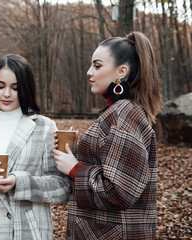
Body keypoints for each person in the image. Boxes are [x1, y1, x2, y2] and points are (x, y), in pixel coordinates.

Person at [53, 31, 162, 239]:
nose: (88, 72)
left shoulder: (125, 114)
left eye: (97, 65)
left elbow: (118, 193)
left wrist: (75, 168)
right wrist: (76, 151)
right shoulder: (117, 112)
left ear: (121, 71)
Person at [0, 54, 70, 239]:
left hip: (28, 233)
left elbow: (63, 187)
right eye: (0, 86)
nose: (6, 94)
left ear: (25, 88)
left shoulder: (44, 127)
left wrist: (18, 182)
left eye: (15, 87)